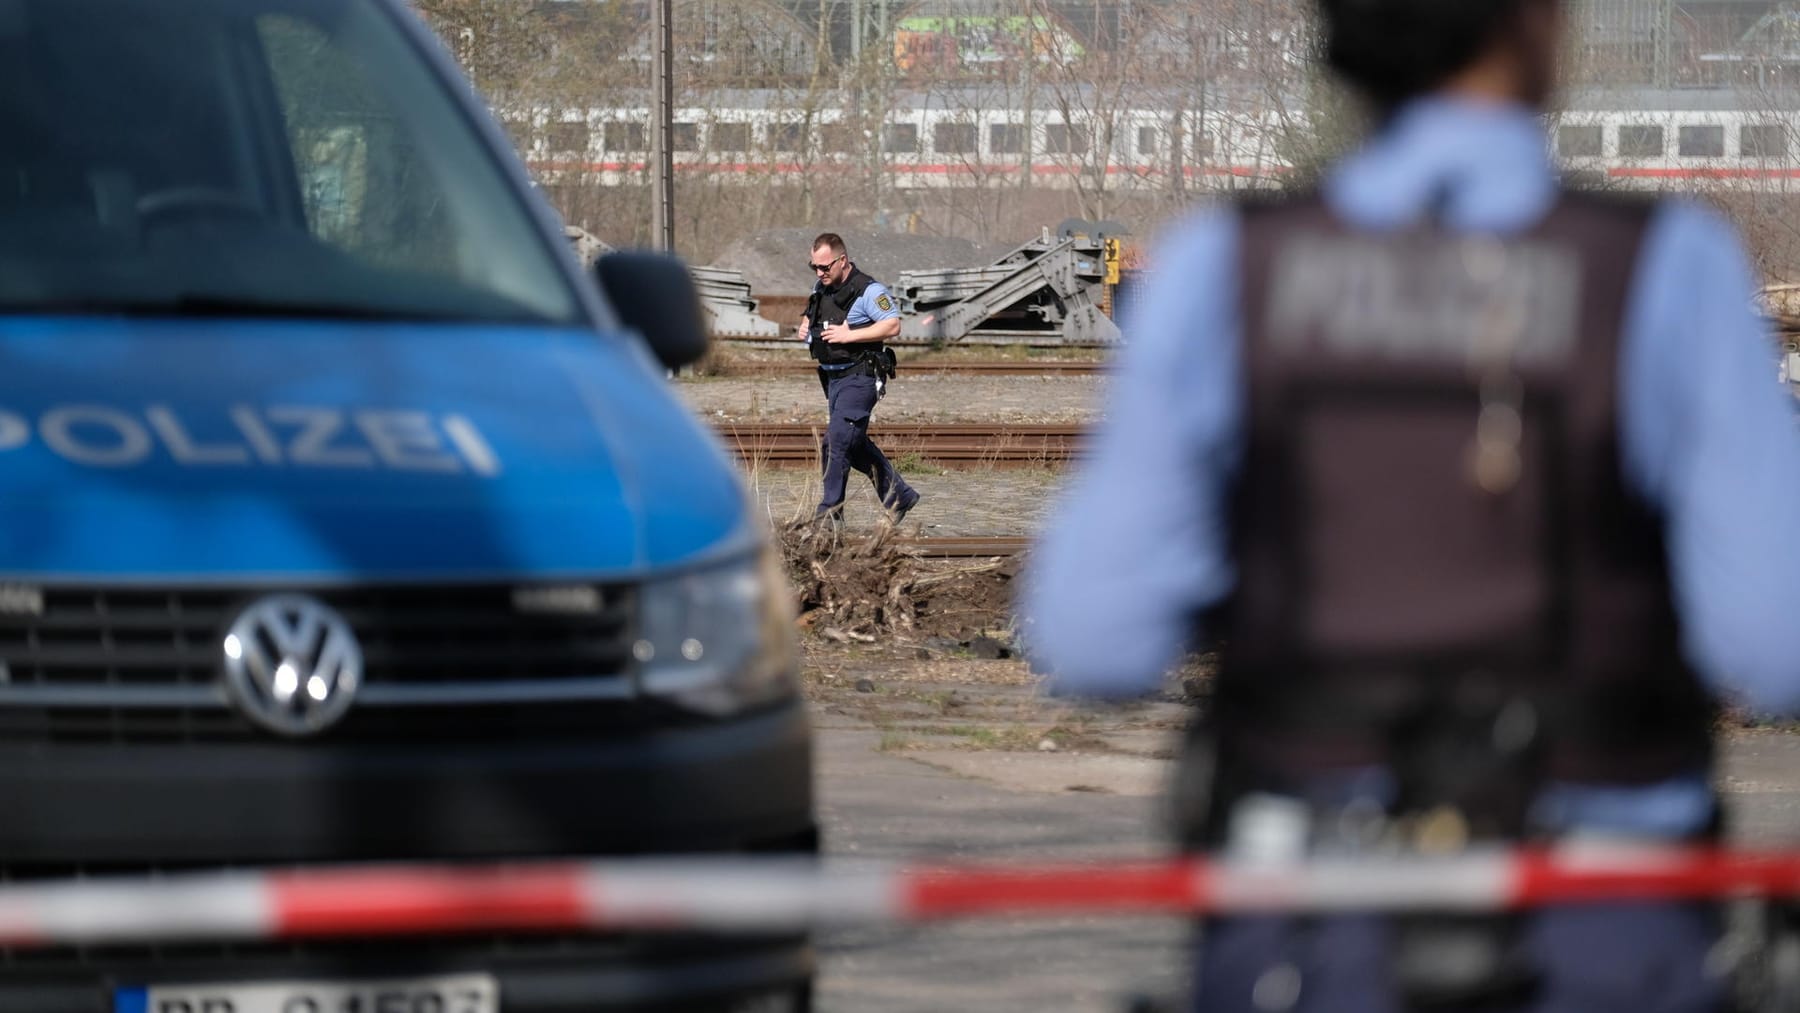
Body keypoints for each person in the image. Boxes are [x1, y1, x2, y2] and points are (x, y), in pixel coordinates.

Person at [1022, 0, 1800, 1009]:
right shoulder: (1665, 266)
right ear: (1536, 26)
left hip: (1303, 924)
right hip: (1605, 923)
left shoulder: (1230, 266)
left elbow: (1092, 637)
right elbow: (1777, 643)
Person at [798, 232, 920, 523]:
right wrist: (804, 327)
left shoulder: (868, 290)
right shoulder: (821, 286)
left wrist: (850, 335)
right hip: (833, 380)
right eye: (814, 266)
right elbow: (812, 313)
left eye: (825, 266)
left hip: (861, 377)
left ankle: (830, 515)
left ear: (843, 260)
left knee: (836, 442)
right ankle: (899, 496)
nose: (819, 272)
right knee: (852, 444)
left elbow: (892, 326)